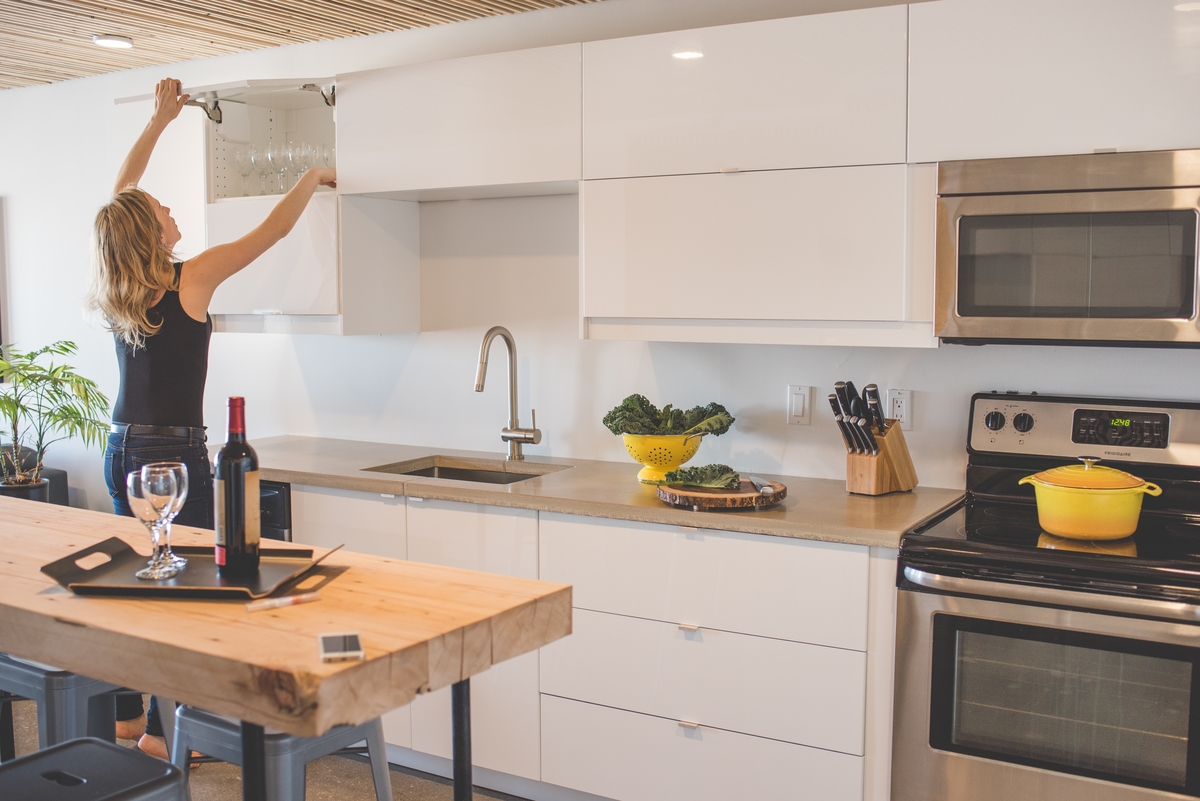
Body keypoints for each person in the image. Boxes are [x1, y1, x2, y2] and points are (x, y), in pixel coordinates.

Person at [87, 78, 336, 758]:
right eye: (163, 210)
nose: (169, 210)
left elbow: (121, 197)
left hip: (122, 446)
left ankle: (131, 718)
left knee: (141, 583)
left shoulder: (123, 285)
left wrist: (159, 119)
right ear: (151, 231)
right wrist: (314, 173)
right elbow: (274, 229)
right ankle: (167, 736)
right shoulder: (187, 278)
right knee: (181, 593)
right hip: (170, 455)